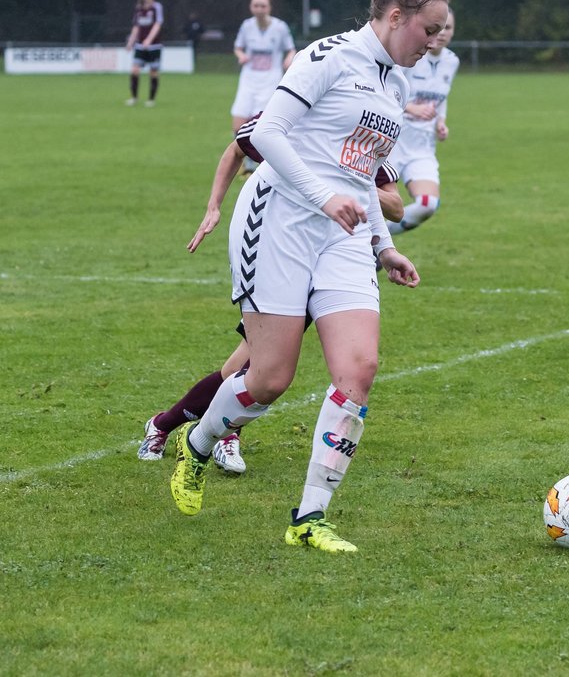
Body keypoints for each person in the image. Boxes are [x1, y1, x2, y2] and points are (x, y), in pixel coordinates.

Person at [165, 0, 448, 555]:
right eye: (428, 30)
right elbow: (264, 133)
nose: (433, 43)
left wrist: (382, 246)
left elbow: (363, 177)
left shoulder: (394, 85)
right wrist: (322, 197)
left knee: (359, 370)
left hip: (342, 236)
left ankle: (309, 519)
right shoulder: (329, 55)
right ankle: (196, 446)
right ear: (395, 17)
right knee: (268, 379)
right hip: (280, 220)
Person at [138, 113, 404, 473]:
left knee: (258, 368)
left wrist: (352, 176)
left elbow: (396, 205)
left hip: (336, 259)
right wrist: (213, 207)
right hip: (281, 249)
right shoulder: (293, 114)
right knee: (249, 368)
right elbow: (236, 149)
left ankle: (202, 431)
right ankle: (173, 427)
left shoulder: (366, 130)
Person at [388, 7, 458, 234]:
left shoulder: (451, 62)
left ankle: (378, 242)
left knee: (427, 205)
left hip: (422, 148)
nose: (442, 33)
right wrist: (412, 108)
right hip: (393, 144)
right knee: (371, 203)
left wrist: (441, 122)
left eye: (448, 28)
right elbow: (387, 95)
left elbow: (441, 100)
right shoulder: (412, 56)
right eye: (438, 28)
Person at [230, 0, 296, 171]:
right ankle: (246, 160)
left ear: (269, 8)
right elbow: (238, 47)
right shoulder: (247, 26)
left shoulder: (280, 27)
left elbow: (290, 49)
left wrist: (289, 58)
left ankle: (258, 163)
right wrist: (241, 55)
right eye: (256, 5)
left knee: (260, 123)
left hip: (270, 80)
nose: (259, 9)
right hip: (249, 79)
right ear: (251, 7)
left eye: (263, 6)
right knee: (238, 123)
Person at [124, 0, 163, 107]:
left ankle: (151, 100)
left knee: (153, 72)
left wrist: (149, 39)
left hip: (154, 46)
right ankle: (134, 98)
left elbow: (157, 24)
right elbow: (136, 27)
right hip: (140, 45)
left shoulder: (157, 7)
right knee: (134, 70)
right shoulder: (139, 9)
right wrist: (131, 42)